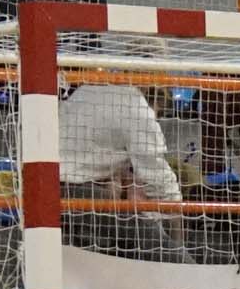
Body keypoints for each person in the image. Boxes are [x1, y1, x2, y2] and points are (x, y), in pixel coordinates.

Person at [58, 77, 184, 259]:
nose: (157, 118)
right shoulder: (137, 108)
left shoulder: (90, 89)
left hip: (54, 187)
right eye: (159, 113)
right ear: (155, 102)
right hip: (80, 192)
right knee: (156, 242)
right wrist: (177, 210)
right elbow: (158, 175)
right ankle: (185, 266)